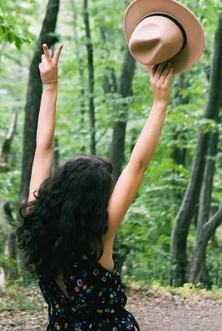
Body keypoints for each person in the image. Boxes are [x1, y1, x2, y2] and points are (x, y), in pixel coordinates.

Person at [17, 42, 173, 331]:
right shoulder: (99, 238)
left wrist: (50, 86)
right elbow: (137, 165)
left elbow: (43, 150)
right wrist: (160, 102)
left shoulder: (39, 223)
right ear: (95, 204)